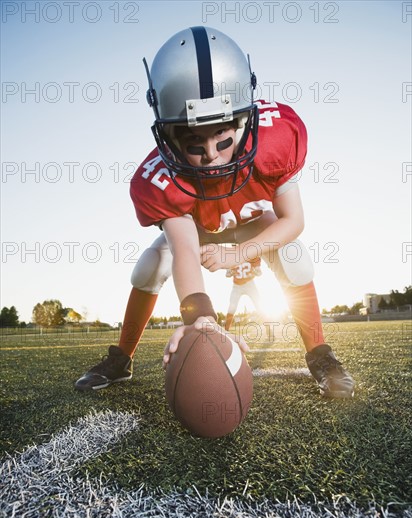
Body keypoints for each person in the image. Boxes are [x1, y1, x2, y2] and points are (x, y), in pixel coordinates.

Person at [75, 26, 354, 398]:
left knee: (294, 256)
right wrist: (201, 318)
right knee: (149, 267)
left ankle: (320, 355)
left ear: (245, 121)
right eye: (193, 142)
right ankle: (120, 359)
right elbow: (185, 250)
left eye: (222, 137)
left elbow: (294, 220)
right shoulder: (158, 181)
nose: (211, 155)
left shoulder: (277, 138)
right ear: (170, 136)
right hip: (198, 229)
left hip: (252, 223)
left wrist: (238, 253)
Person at [224, 258, 263, 331]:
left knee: (259, 306)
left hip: (250, 284)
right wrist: (231, 272)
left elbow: (260, 273)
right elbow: (227, 274)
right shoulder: (232, 257)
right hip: (237, 286)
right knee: (232, 308)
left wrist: (255, 271)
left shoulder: (251, 255)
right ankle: (226, 331)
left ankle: (269, 331)